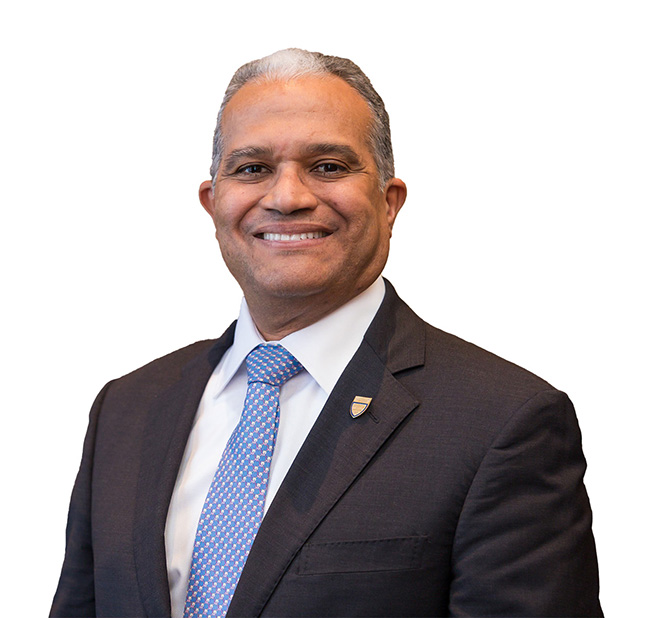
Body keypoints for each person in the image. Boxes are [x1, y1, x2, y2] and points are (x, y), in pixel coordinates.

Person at [50, 48, 602, 618]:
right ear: (214, 204)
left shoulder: (502, 422)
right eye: (252, 168)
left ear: (389, 203)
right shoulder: (128, 408)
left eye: (329, 166)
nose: (287, 197)